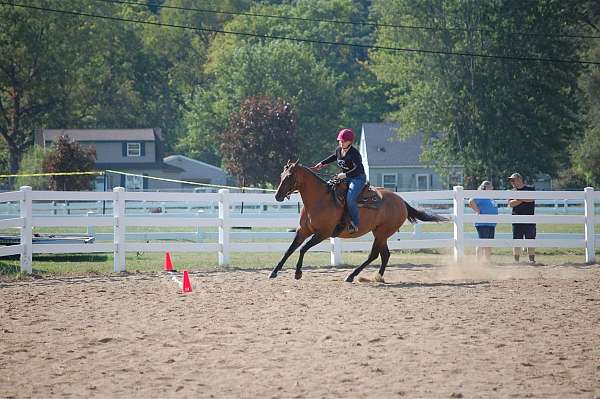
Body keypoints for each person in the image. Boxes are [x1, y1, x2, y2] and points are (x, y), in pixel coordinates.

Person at [312, 128, 366, 233]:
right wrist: (322, 163)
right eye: (339, 140)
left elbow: (358, 169)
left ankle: (355, 223)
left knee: (350, 199)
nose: (340, 142)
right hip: (345, 177)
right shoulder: (339, 149)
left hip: (358, 178)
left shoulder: (354, 154)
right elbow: (334, 156)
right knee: (328, 188)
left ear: (349, 142)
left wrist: (345, 175)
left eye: (343, 141)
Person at [508, 172, 536, 264]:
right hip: (516, 219)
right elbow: (511, 204)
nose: (512, 182)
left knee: (531, 239)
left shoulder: (530, 189)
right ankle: (516, 261)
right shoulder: (512, 191)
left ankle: (532, 260)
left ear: (519, 179)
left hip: (529, 218)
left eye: (513, 180)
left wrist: (518, 199)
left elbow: (531, 199)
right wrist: (523, 199)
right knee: (516, 240)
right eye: (511, 180)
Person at [468, 180, 498, 261]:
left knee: (489, 243)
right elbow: (471, 201)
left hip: (491, 224)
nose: (492, 188)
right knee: (482, 242)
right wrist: (477, 210)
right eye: (490, 186)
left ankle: (488, 260)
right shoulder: (481, 195)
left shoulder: (490, 197)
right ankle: (478, 261)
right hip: (483, 223)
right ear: (486, 187)